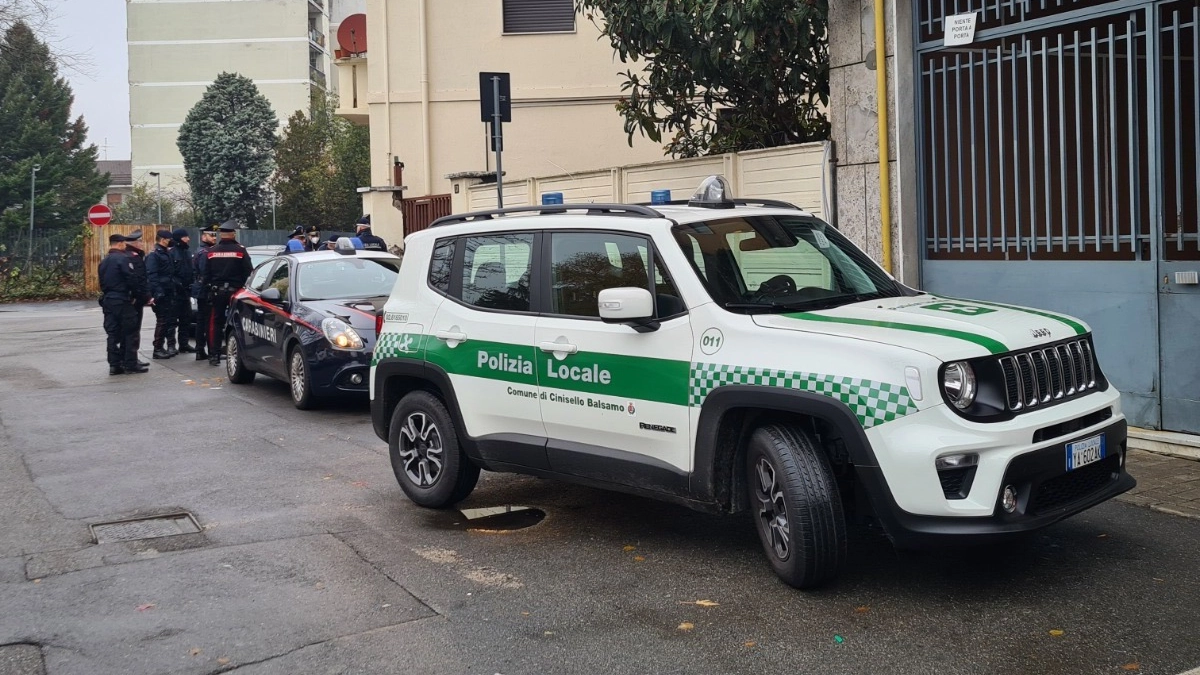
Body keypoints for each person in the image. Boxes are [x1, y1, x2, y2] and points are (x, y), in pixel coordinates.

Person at [201, 219, 253, 366]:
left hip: (217, 293)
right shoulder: (240, 250)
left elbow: (206, 275)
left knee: (216, 323)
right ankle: (237, 354)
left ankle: (214, 355)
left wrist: (209, 289)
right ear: (233, 234)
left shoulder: (211, 251)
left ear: (221, 235)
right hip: (235, 293)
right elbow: (248, 273)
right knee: (236, 323)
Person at [98, 233, 147, 375]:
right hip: (123, 300)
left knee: (113, 333)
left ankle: (114, 364)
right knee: (130, 331)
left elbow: (102, 282)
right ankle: (130, 364)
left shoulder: (104, 261)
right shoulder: (123, 260)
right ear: (120, 244)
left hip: (108, 300)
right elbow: (132, 280)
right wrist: (138, 296)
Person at [145, 230, 178, 359]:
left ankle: (162, 347)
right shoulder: (154, 255)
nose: (171, 241)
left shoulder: (166, 253)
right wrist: (158, 292)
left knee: (168, 320)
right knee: (162, 321)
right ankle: (157, 348)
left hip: (169, 291)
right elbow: (152, 276)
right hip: (161, 293)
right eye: (169, 239)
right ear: (163, 239)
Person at [191, 224, 219, 361]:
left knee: (203, 321)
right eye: (211, 235)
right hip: (205, 290)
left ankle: (200, 350)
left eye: (214, 235)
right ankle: (205, 349)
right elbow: (205, 273)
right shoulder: (205, 253)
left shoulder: (204, 250)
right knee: (206, 321)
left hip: (202, 289)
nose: (214, 237)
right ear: (203, 236)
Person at [123, 230, 152, 364]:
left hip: (123, 298)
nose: (142, 243)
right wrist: (146, 297)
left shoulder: (122, 255)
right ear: (135, 243)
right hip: (135, 300)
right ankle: (132, 359)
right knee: (134, 330)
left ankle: (124, 358)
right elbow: (140, 280)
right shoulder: (135, 258)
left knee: (123, 330)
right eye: (140, 241)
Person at [170, 228, 196, 353]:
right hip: (175, 292)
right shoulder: (172, 253)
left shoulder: (187, 252)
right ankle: (171, 345)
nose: (188, 239)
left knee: (186, 319)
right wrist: (178, 285)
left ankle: (184, 344)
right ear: (180, 238)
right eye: (186, 237)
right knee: (172, 320)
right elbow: (170, 273)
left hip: (186, 291)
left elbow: (191, 271)